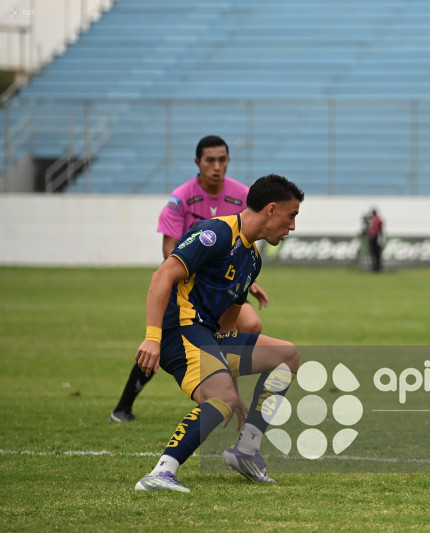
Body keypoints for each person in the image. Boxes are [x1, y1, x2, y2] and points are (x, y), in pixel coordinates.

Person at [134, 174, 304, 492]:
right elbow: (162, 276)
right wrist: (152, 338)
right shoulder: (216, 233)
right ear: (271, 209)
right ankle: (160, 473)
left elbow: (227, 328)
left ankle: (246, 450)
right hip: (179, 331)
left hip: (208, 335)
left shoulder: (252, 259)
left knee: (287, 356)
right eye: (291, 215)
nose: (293, 226)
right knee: (221, 397)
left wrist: (231, 386)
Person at [109, 135, 269, 422]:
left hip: (223, 288)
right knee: (160, 341)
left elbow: (244, 247)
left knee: (251, 324)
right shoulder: (181, 198)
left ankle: (226, 391)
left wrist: (246, 281)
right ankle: (123, 406)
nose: (217, 166)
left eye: (222, 160)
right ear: (197, 162)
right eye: (210, 160)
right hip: (188, 287)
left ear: (228, 161)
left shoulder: (243, 195)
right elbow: (169, 249)